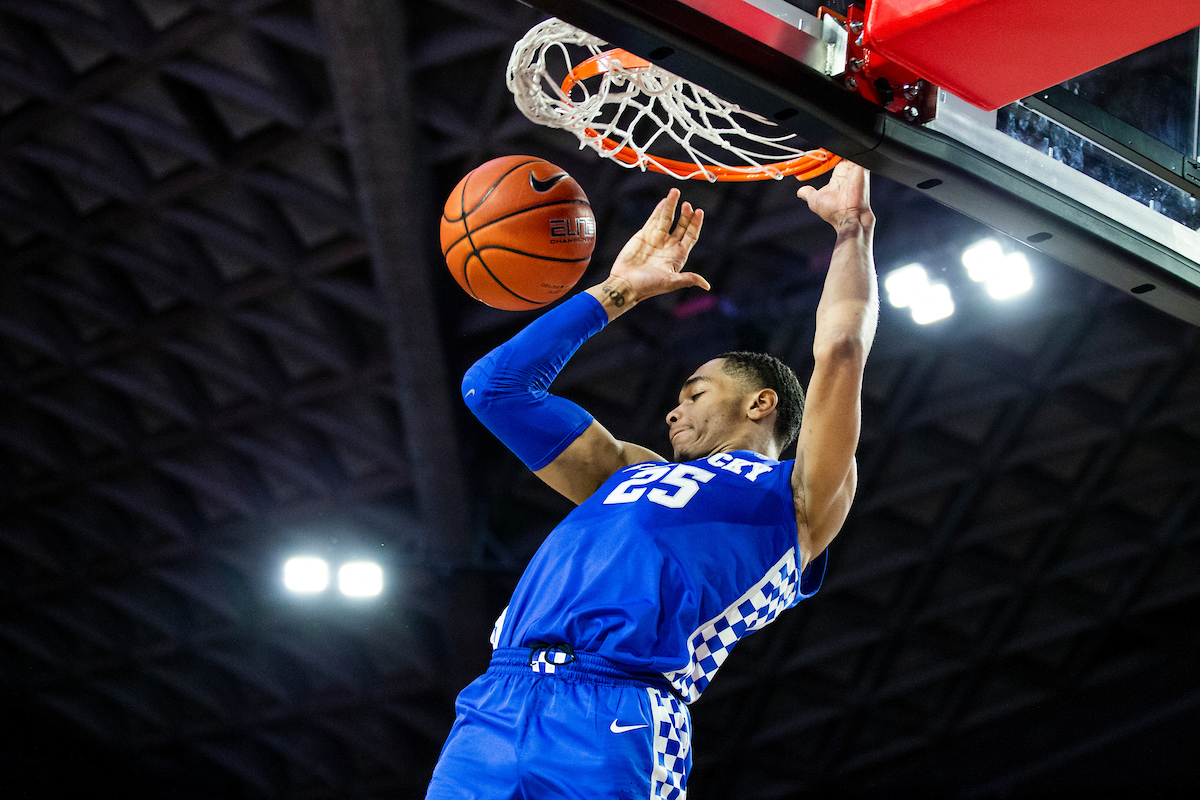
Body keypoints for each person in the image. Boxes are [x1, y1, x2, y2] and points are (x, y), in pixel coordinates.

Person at [426, 160, 878, 800]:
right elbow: (493, 389)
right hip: (495, 704)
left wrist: (850, 230)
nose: (674, 409)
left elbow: (840, 352)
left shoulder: (798, 499)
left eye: (696, 393)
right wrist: (617, 292)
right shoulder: (628, 471)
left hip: (621, 717)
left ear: (761, 403)